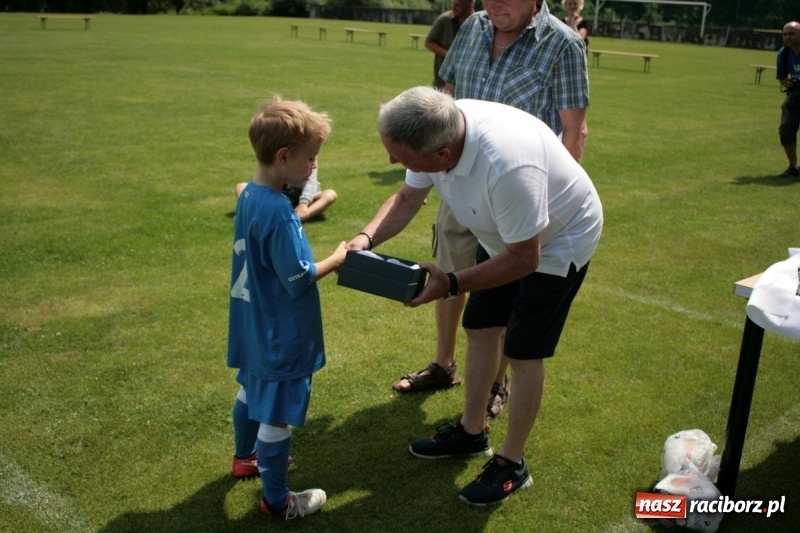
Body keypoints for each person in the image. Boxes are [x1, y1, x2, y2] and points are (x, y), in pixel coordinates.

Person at [349, 86, 602, 505]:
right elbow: (409, 196)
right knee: (481, 325)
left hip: (559, 242)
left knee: (522, 351)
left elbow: (525, 258)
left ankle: (511, 464)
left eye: (403, 157)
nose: (394, 162)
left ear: (443, 157)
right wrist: (365, 238)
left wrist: (450, 282)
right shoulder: (435, 128)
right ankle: (471, 433)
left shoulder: (507, 166)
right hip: (506, 232)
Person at [392, 0, 589, 422]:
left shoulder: (564, 43)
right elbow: (444, 98)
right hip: (454, 171)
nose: (494, 2)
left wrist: (546, 202)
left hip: (516, 189)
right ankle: (444, 365)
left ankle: (497, 384)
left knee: (505, 289)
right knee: (448, 272)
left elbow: (574, 127)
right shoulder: (472, 28)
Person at [227, 96, 346, 519]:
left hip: (252, 323)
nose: (314, 166)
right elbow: (296, 277)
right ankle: (278, 501)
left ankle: (246, 458)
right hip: (280, 330)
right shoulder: (279, 211)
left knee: (249, 388)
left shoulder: (249, 195)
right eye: (310, 158)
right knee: (275, 412)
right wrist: (336, 258)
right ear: (283, 156)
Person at [234, 168, 338, 222]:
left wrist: (303, 203)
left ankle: (297, 218)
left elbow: (311, 181)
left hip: (304, 198)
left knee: (330, 194)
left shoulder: (308, 153)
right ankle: (258, 213)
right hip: (278, 197)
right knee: (241, 186)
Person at [424, 0, 475, 89]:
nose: (453, 8)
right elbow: (429, 42)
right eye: (453, 5)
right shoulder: (444, 20)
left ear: (469, 4)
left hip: (469, 82)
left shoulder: (481, 23)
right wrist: (448, 54)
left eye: (458, 5)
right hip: (443, 81)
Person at [777, 21, 800, 178]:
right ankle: (793, 167)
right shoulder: (784, 53)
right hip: (796, 94)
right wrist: (787, 82)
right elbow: (782, 78)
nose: (787, 37)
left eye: (792, 33)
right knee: (786, 128)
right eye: (785, 34)